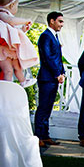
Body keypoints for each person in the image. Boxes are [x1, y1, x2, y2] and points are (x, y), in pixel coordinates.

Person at [0, 0, 38, 87]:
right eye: (17, 5)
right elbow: (11, 20)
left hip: (8, 48)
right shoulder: (1, 13)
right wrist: (25, 20)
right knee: (8, 70)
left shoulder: (5, 16)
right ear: (11, 5)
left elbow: (12, 31)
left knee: (17, 66)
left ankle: (23, 81)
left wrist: (23, 29)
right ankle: (8, 87)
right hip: (1, 49)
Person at [34, 11, 65, 148]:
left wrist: (62, 72)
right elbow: (47, 57)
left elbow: (58, 57)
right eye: (60, 21)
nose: (62, 24)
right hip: (47, 78)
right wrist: (57, 73)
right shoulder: (45, 36)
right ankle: (38, 137)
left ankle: (45, 136)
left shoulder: (55, 37)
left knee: (48, 108)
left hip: (53, 78)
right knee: (42, 107)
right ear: (51, 21)